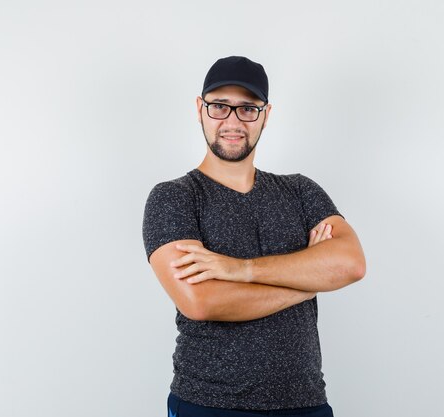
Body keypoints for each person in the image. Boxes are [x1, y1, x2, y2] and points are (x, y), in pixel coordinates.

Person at [142, 56, 366, 417]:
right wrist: (309, 282)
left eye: (247, 109)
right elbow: (201, 302)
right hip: (209, 403)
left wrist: (238, 269)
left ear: (266, 114)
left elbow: (350, 265)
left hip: (305, 403)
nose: (232, 122)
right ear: (200, 109)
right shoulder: (174, 197)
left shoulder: (299, 191)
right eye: (220, 107)